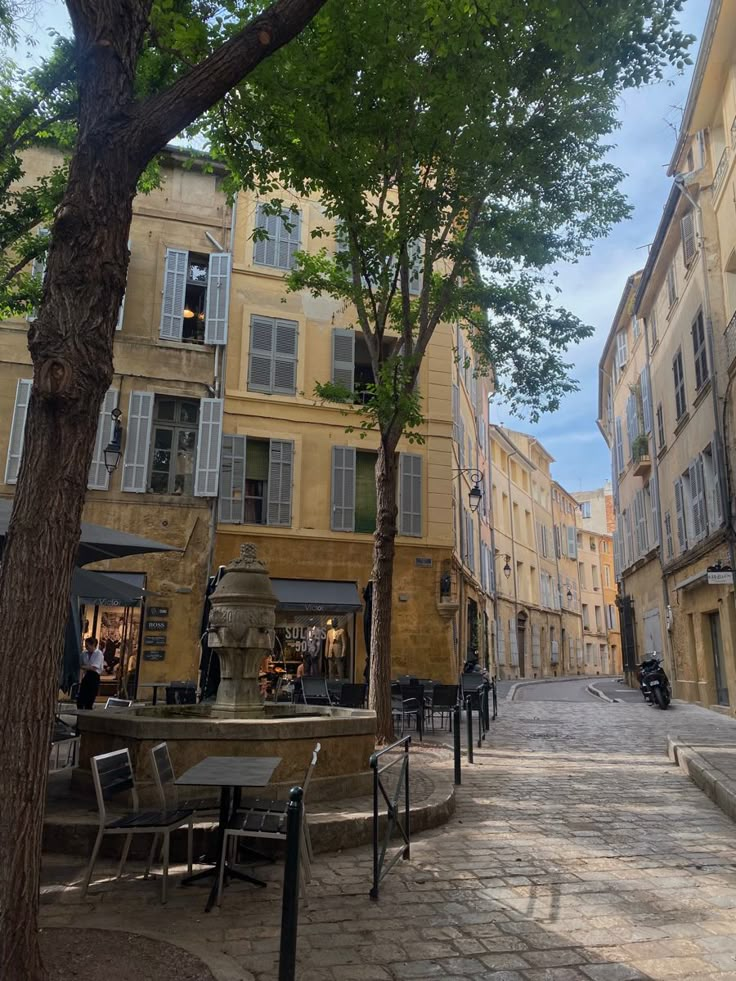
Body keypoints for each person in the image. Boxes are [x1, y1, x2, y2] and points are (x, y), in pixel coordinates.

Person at [77, 637, 104, 711]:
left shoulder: (98, 654)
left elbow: (94, 667)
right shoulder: (84, 654)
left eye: (88, 645)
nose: (86, 647)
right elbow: (80, 664)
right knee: (81, 699)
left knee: (90, 699)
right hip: (86, 676)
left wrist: (83, 667)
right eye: (85, 645)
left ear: (93, 645)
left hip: (94, 676)